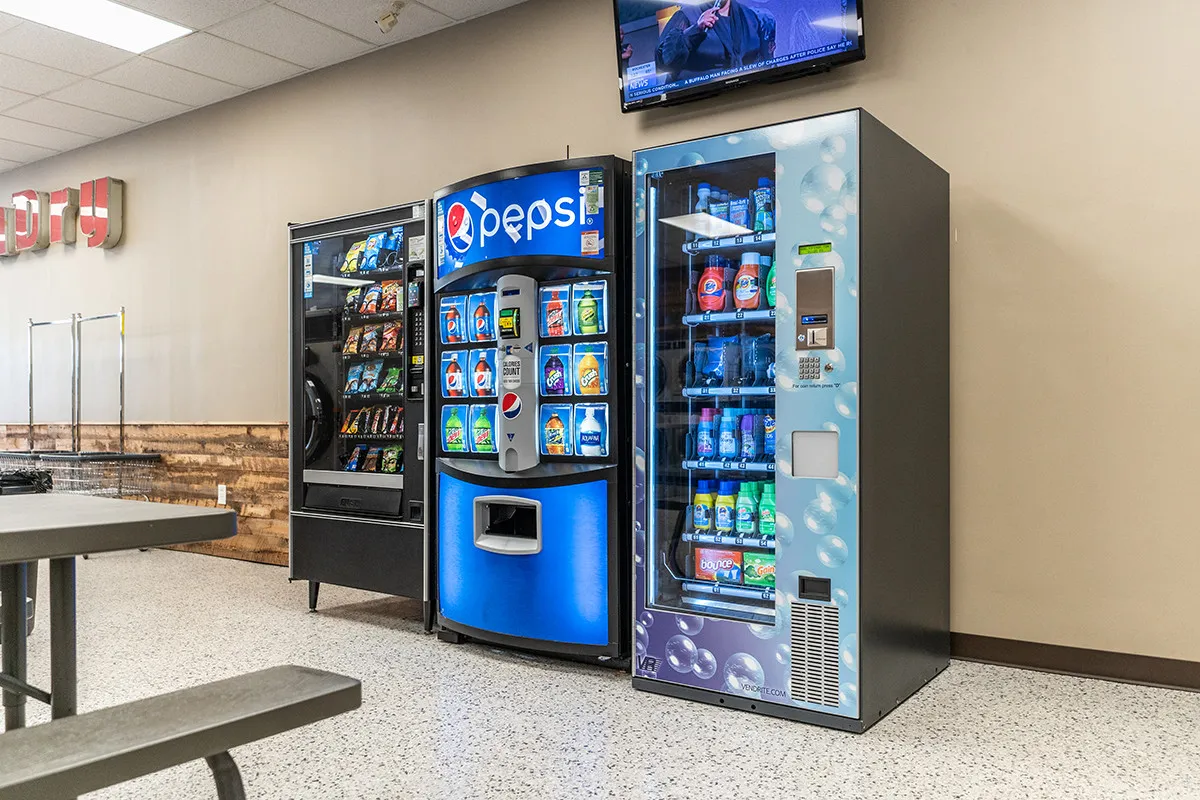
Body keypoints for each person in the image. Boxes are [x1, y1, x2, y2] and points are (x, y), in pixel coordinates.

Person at [656, 0, 776, 83]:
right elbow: (663, 62)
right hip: (697, 101)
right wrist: (696, 29)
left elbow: (762, 62)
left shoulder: (750, 17)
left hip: (744, 96)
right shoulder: (687, 15)